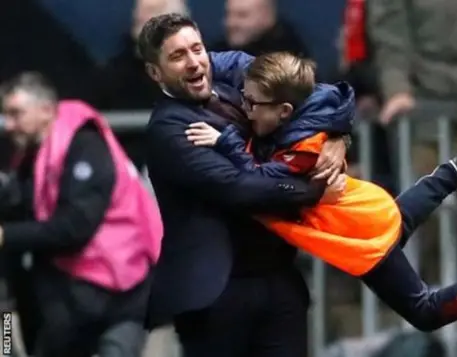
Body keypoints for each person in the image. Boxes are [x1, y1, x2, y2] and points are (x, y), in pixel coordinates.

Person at [184, 51, 457, 332]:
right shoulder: (295, 105)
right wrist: (201, 64)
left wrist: (225, 140)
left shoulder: (303, 150)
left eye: (253, 103)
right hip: (363, 210)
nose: (245, 108)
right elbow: (239, 65)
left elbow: (258, 182)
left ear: (285, 110)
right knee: (400, 219)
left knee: (426, 311)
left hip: (357, 235)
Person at [138, 14, 350, 357]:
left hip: (279, 280)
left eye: (197, 49)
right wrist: (313, 191)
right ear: (155, 73)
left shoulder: (231, 75)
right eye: (178, 56)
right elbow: (239, 188)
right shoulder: (170, 129)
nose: (194, 62)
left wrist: (338, 135)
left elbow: (310, 89)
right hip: (218, 296)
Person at [0, 72, 163, 357]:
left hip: (117, 287)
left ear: (45, 110)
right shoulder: (32, 155)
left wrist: (5, 236)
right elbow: (19, 207)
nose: (9, 125)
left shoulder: (85, 146)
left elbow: (74, 227)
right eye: (6, 115)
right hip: (69, 287)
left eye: (16, 114)